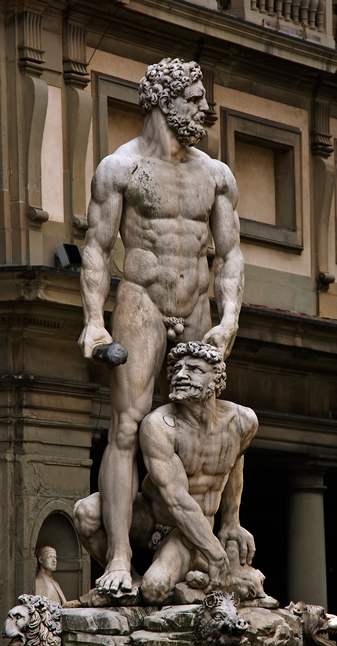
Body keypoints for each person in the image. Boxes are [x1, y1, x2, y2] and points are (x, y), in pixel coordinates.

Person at [78, 58, 244, 596]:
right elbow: (98, 249)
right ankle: (121, 557)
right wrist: (93, 324)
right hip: (142, 299)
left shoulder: (216, 174)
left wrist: (229, 319)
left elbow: (232, 255)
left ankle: (198, 546)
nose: (203, 108)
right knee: (127, 426)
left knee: (204, 420)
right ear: (162, 101)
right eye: (194, 98)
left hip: (197, 304)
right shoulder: (120, 168)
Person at [74, 342, 260, 604]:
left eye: (194, 369)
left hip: (191, 529)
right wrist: (218, 555)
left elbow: (234, 460)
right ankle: (130, 581)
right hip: (151, 513)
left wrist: (231, 520)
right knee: (86, 512)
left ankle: (186, 577)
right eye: (176, 369)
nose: (181, 375)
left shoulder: (242, 421)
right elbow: (176, 499)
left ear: (217, 379)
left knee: (156, 589)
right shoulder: (158, 425)